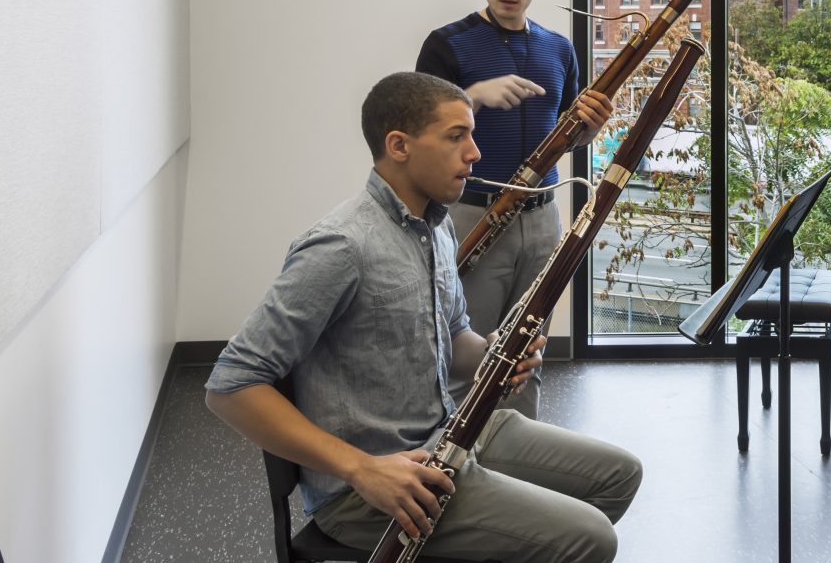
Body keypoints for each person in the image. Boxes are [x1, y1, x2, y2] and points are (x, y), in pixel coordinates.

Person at [205, 72, 640, 562]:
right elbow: (231, 385)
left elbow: (453, 339)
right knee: (590, 538)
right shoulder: (342, 245)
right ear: (399, 146)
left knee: (619, 475)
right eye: (457, 136)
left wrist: (495, 353)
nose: (474, 152)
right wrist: (360, 469)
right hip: (367, 489)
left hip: (447, 438)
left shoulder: (437, 229)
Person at [414, 0, 611, 420]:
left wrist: (589, 127)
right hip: (471, 214)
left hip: (542, 221)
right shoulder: (447, 45)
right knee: (469, 355)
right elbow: (418, 133)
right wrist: (471, 98)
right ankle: (460, 474)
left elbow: (571, 135)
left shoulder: (560, 50)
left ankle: (520, 465)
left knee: (528, 352)